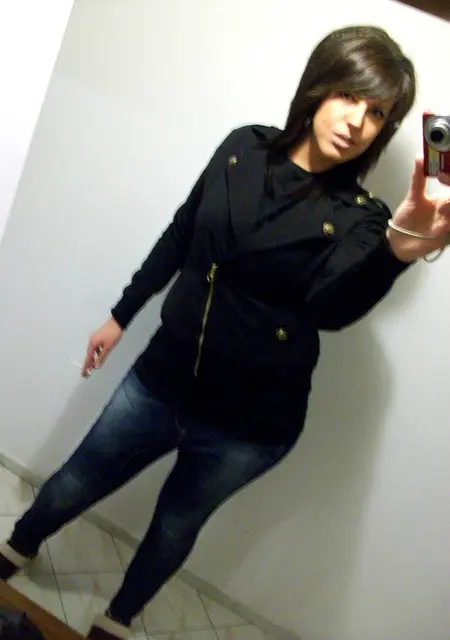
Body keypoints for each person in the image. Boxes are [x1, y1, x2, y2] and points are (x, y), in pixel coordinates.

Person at [1, 24, 450, 640]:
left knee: (176, 525)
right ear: (318, 87)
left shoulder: (362, 219)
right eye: (348, 95)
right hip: (162, 379)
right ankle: (18, 546)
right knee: (79, 478)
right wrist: (121, 314)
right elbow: (182, 233)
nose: (356, 122)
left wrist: (395, 252)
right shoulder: (244, 147)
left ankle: (118, 619)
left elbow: (331, 308)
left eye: (377, 113)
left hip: (249, 425)